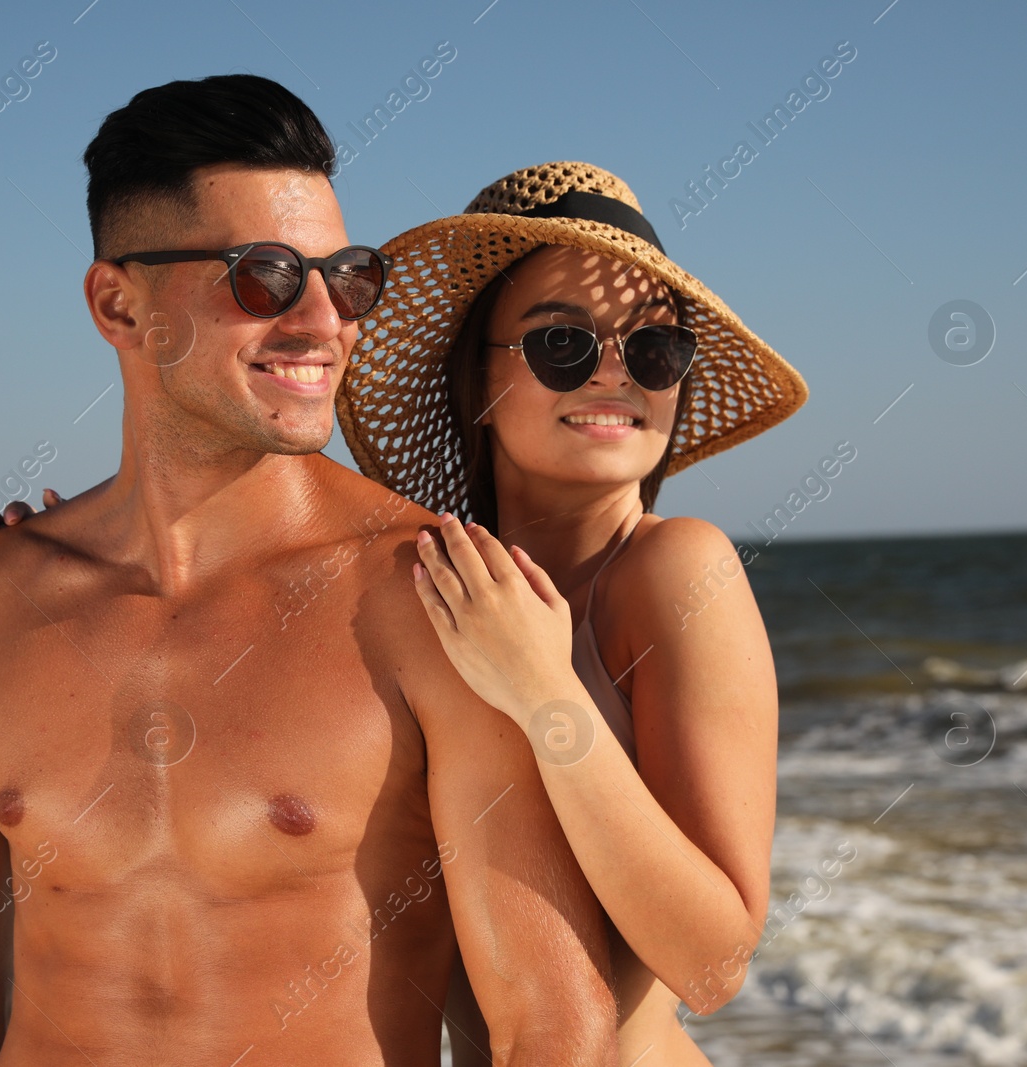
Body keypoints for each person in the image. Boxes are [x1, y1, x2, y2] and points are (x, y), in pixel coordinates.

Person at [0, 80, 618, 1067]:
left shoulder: (434, 595)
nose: (323, 321)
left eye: (348, 276)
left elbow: (552, 1019)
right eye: (263, 275)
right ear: (118, 303)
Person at [341, 162, 806, 1064]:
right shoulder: (417, 593)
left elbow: (713, 965)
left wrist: (543, 690)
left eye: (654, 350)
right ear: (475, 378)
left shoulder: (673, 571)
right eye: (562, 343)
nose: (614, 375)